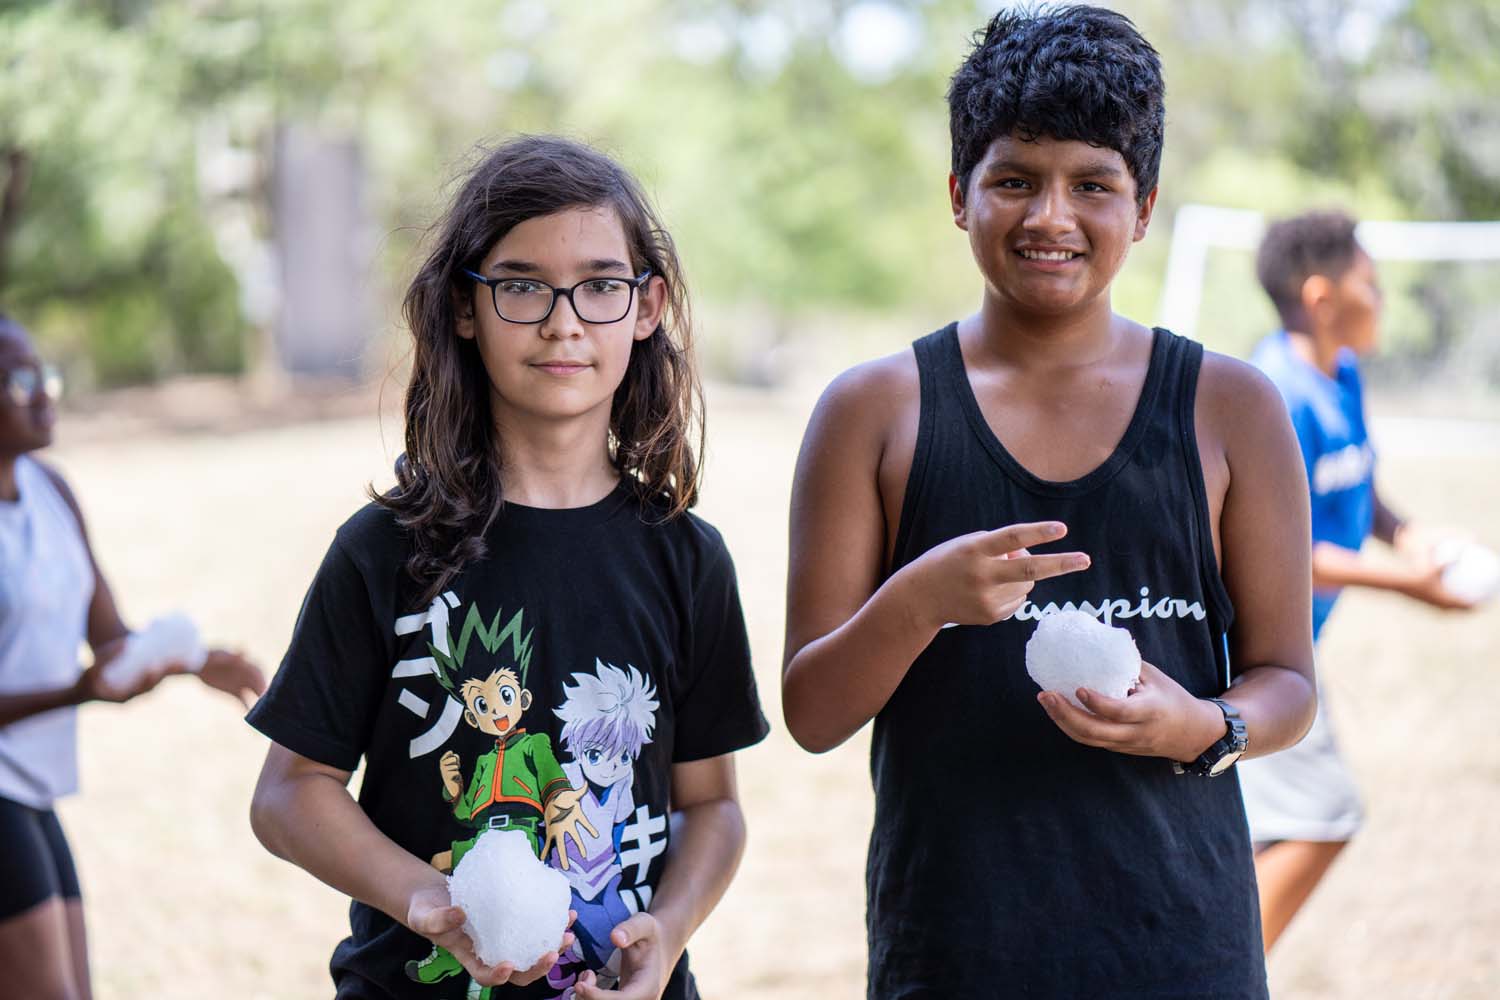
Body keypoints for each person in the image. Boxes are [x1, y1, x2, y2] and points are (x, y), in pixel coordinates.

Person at [780, 7, 1317, 997]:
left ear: (1145, 206)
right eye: (1015, 180)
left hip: (1181, 948)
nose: (1050, 218)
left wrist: (1205, 723)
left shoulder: (1232, 409)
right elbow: (812, 711)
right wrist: (918, 601)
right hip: (953, 950)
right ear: (958, 194)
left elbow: (1288, 680)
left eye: (1093, 185)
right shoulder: (875, 412)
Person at [246, 135, 768, 1000]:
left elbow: (712, 805)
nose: (564, 321)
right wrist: (426, 898)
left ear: (647, 307)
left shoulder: (687, 557)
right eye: (522, 285)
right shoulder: (383, 551)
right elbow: (290, 794)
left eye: (602, 285)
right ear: (463, 307)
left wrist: (667, 935)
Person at [0, 311, 267, 1000]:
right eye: (19, 379)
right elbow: (86, 679)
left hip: (33, 783)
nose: (42, 393)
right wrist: (78, 694)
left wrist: (192, 660)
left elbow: (110, 635)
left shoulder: (50, 492)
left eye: (44, 375)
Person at [1237, 210, 1476, 950]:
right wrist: (1411, 587)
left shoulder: (1340, 373)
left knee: (1249, 838)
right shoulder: (1272, 391)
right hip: (1246, 652)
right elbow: (1282, 552)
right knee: (1322, 816)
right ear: (1321, 296)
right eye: (1370, 284)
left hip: (1289, 645)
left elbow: (1355, 484)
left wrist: (1408, 534)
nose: (1382, 299)